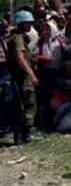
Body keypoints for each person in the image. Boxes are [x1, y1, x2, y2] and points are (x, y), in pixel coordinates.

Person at [7, 10, 39, 144]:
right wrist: (32, 74)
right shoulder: (18, 38)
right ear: (21, 23)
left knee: (21, 106)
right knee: (29, 105)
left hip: (18, 75)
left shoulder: (15, 37)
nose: (30, 25)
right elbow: (20, 58)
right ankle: (25, 134)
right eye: (28, 23)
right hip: (23, 77)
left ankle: (21, 135)